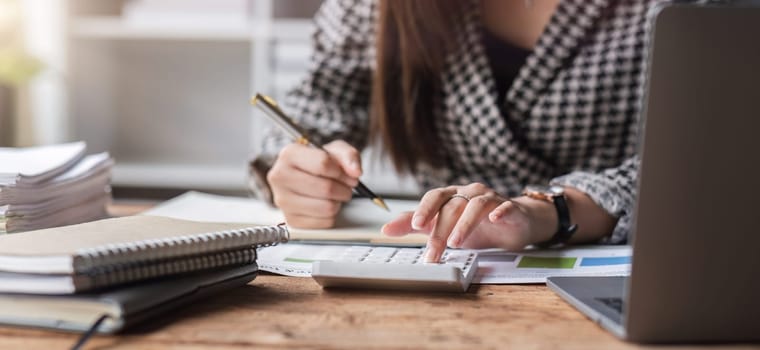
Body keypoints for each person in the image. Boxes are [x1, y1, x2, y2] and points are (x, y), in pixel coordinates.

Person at [249, 0, 673, 263]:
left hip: (629, 264)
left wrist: (547, 212)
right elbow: (318, 104)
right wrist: (296, 169)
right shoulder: (375, 6)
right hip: (440, 261)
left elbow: (710, 156)